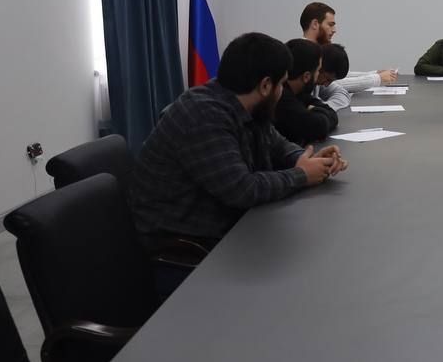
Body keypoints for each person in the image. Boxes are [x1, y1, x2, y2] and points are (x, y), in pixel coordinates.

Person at [127, 32, 348, 255]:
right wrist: (301, 175)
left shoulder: (243, 102)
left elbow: (276, 143)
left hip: (223, 224)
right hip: (184, 242)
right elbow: (242, 190)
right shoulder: (204, 115)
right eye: (282, 84)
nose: (283, 92)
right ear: (265, 85)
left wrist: (305, 159)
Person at [299, 1, 398, 90]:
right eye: (330, 24)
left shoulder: (317, 51)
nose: (334, 30)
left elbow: (337, 76)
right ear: (315, 24)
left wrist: (374, 73)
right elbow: (330, 85)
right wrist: (377, 78)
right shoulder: (304, 55)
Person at [274, 39, 338, 144]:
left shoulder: (299, 93)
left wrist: (314, 110)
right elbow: (318, 126)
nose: (318, 75)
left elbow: (332, 114)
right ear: (306, 76)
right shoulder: (282, 98)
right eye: (318, 71)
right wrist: (316, 112)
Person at [311, 42, 352, 111]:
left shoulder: (319, 81)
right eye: (327, 79)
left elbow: (343, 93)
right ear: (319, 67)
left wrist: (323, 108)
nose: (326, 85)